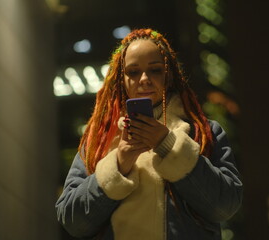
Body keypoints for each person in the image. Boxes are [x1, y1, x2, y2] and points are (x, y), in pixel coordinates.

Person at [55, 28, 243, 240]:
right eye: (133, 72)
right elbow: (72, 222)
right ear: (121, 80)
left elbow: (225, 206)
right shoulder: (97, 141)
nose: (144, 79)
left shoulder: (205, 132)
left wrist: (168, 145)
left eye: (155, 70)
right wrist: (118, 164)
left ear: (169, 75)